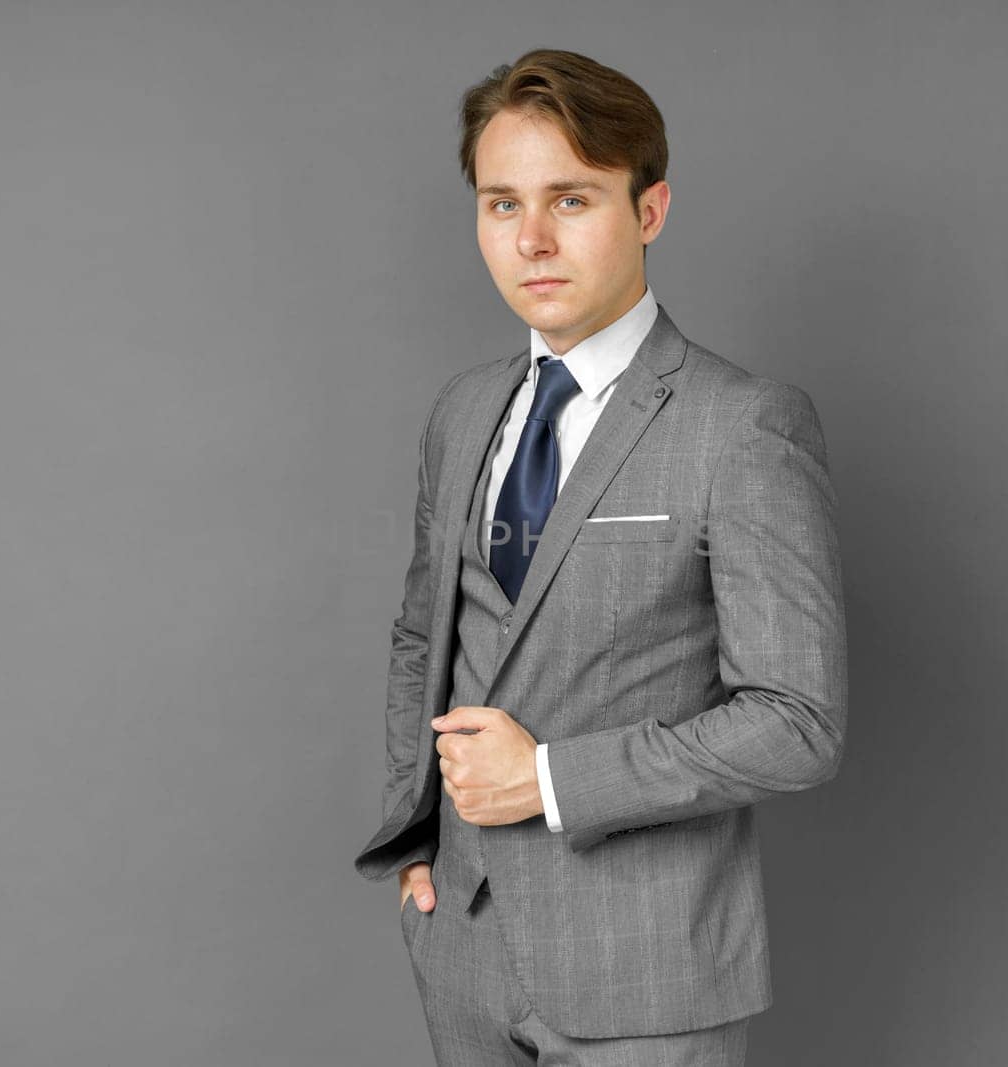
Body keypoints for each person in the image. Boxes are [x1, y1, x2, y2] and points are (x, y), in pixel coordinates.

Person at [353, 47, 848, 1065]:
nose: (530, 238)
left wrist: (545, 777)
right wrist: (415, 830)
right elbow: (424, 631)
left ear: (649, 210)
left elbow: (797, 724)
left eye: (570, 200)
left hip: (647, 970)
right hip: (465, 951)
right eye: (500, 204)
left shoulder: (741, 426)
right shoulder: (460, 413)